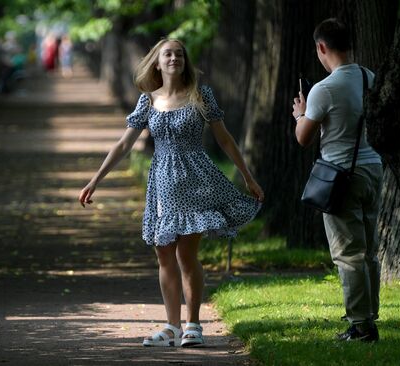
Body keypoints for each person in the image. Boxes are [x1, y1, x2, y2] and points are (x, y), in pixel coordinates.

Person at [79, 38, 264, 347]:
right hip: (162, 184)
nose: (174, 58)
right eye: (168, 54)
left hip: (196, 180)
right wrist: (95, 180)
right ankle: (172, 326)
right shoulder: (148, 100)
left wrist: (248, 177)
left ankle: (193, 325)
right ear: (157, 62)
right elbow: (124, 144)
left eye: (179, 54)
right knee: (164, 253)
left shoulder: (200, 95)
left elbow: (226, 140)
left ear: (184, 61)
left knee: (186, 255)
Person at [292, 18, 383, 342]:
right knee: (369, 250)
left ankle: (360, 326)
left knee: (349, 253)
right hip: (374, 168)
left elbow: (303, 138)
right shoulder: (368, 77)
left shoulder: (324, 89)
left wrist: (300, 113)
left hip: (342, 174)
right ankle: (370, 316)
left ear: (321, 47)